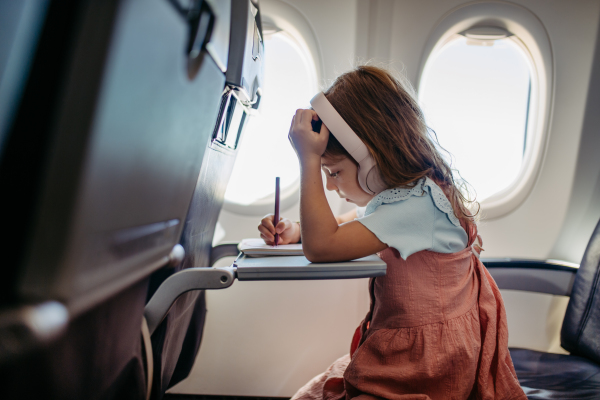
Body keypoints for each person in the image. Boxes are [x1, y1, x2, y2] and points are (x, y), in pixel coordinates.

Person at [258, 65, 526, 400]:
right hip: (417, 348)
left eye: (334, 172)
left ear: (370, 159)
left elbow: (322, 245)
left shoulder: (415, 206)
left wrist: (308, 159)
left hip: (427, 362)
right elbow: (344, 225)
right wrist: (294, 230)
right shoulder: (412, 194)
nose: (329, 185)